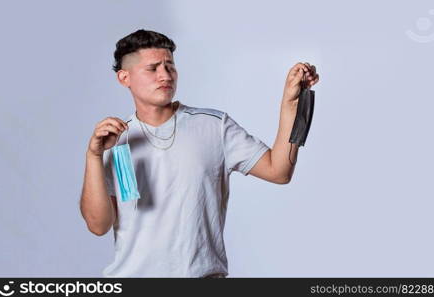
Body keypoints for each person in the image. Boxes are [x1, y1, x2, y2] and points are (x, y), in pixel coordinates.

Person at [79, 29, 319, 278]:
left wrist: (292, 103)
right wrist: (94, 156)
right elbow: (98, 225)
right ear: (124, 78)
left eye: (169, 66)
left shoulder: (214, 126)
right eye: (153, 68)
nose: (165, 75)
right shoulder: (116, 143)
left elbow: (278, 171)